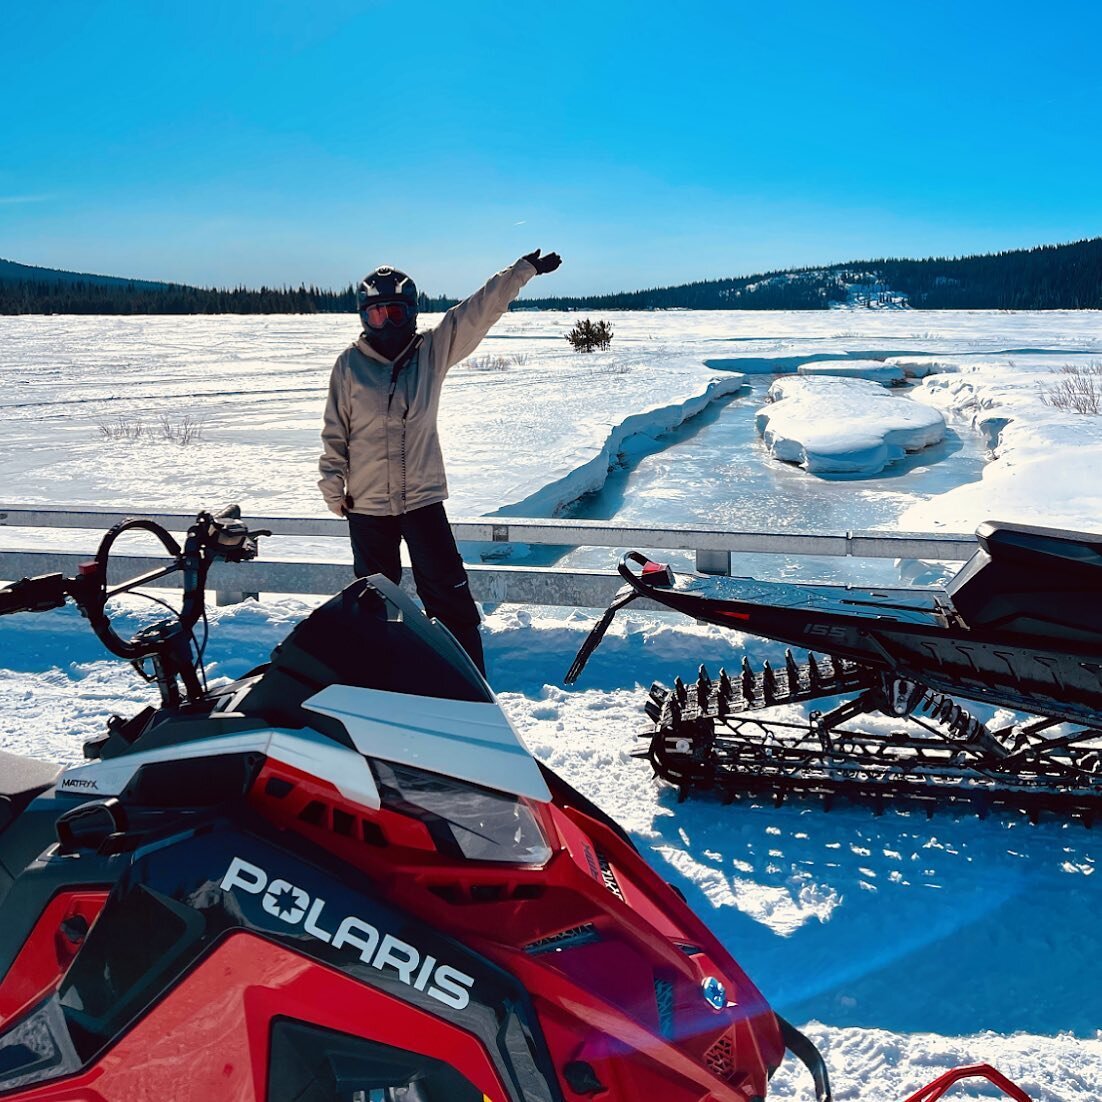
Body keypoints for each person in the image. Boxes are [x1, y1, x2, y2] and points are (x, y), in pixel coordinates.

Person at [318, 249, 562, 676]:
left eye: (395, 313)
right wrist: (332, 484)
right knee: (374, 605)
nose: (388, 324)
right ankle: (379, 688)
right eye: (377, 315)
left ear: (411, 313)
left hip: (423, 503)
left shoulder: (430, 351)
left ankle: (469, 685)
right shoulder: (350, 366)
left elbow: (477, 311)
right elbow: (335, 431)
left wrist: (522, 272)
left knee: (450, 599)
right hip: (368, 507)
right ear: (363, 318)